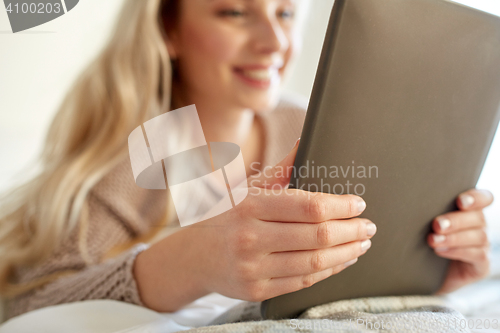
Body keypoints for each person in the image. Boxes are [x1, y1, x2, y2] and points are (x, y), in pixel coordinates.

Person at [0, 0, 492, 322]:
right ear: (168, 29)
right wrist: (189, 261)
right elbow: (23, 307)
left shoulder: (308, 125)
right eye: (234, 12)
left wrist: (425, 259)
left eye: (284, 13)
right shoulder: (146, 153)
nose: (275, 44)